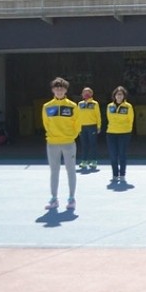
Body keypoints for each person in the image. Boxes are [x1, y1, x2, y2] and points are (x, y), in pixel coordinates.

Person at [42, 77, 79, 212]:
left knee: (71, 170)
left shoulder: (72, 106)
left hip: (68, 143)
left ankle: (71, 198)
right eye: (56, 88)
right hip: (52, 143)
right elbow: (46, 124)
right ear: (53, 90)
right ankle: (54, 198)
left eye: (61, 88)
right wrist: (53, 135)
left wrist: (71, 136)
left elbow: (77, 124)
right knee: (54, 171)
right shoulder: (47, 106)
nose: (59, 91)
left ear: (65, 90)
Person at [105, 85, 134, 184]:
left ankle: (122, 174)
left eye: (121, 94)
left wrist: (127, 129)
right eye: (117, 94)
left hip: (124, 133)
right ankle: (115, 174)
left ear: (124, 96)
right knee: (113, 155)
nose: (119, 96)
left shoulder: (128, 106)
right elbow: (109, 118)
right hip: (111, 133)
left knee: (122, 154)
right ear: (114, 95)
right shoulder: (110, 106)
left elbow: (130, 120)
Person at [76, 87, 101, 171]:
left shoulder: (95, 103)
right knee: (84, 145)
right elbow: (77, 116)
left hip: (92, 126)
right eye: (84, 92)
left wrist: (98, 126)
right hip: (82, 127)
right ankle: (84, 161)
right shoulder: (80, 104)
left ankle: (94, 161)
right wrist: (77, 127)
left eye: (88, 92)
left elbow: (98, 115)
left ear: (91, 94)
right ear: (82, 94)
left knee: (93, 144)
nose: (86, 94)